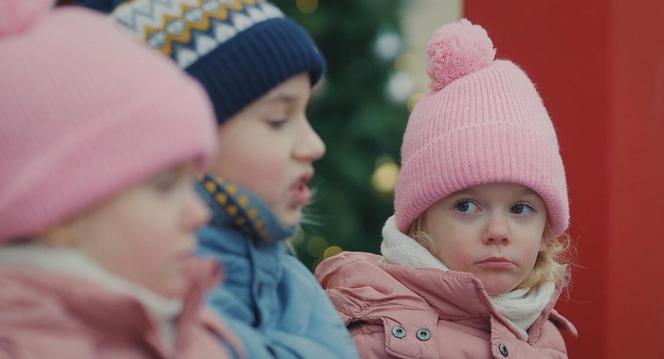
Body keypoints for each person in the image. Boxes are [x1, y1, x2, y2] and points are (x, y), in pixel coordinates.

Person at [78, 0, 360, 357]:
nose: (314, 145)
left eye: (306, 114)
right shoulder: (150, 292)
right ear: (185, 141)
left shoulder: (291, 280)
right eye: (278, 119)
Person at [316, 19, 578, 358]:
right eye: (467, 206)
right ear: (420, 221)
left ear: (545, 229)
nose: (498, 232)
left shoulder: (547, 340)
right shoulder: (369, 333)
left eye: (520, 209)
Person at [0, 1, 243, 357]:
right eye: (164, 185)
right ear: (58, 215)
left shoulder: (187, 325)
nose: (199, 214)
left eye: (192, 182)